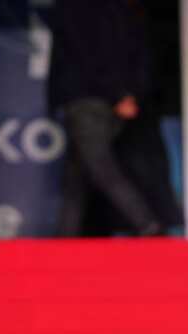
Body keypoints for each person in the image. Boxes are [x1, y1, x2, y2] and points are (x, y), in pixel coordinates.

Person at [48, 0, 163, 236]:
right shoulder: (122, 9)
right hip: (105, 100)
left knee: (100, 167)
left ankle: (146, 222)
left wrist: (122, 95)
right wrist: (128, 95)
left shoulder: (84, 9)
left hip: (89, 99)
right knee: (77, 174)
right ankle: (63, 236)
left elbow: (88, 55)